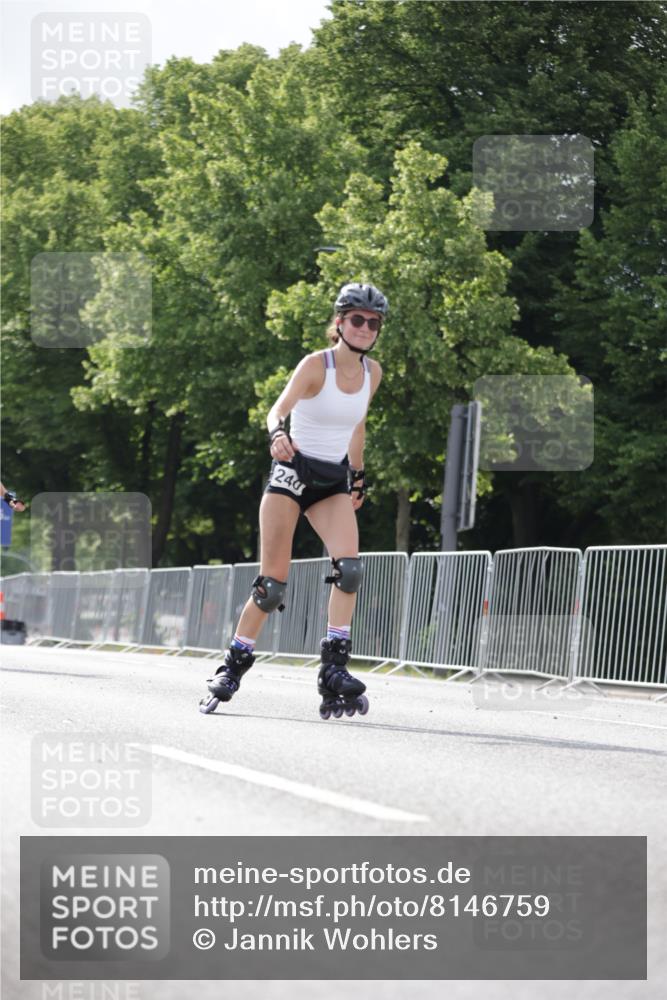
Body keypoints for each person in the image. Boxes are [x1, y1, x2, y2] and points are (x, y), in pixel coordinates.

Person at [200, 281, 387, 719]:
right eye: (356, 319)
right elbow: (277, 409)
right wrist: (277, 434)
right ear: (339, 322)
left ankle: (333, 669)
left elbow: (357, 426)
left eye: (373, 322)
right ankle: (232, 666)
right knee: (272, 587)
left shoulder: (373, 373)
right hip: (292, 475)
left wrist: (358, 476)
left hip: (331, 481)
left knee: (350, 570)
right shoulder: (316, 365)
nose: (364, 328)